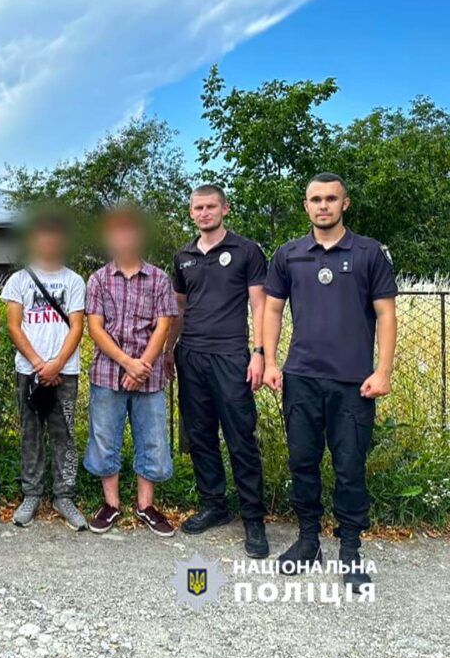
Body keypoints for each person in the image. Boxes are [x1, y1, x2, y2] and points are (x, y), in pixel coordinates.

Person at [263, 173, 396, 593]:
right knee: (302, 462)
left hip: (354, 383)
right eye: (315, 199)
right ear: (306, 206)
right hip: (300, 377)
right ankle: (307, 541)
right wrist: (269, 361)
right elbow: (270, 310)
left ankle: (351, 549)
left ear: (345, 204)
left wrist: (384, 371)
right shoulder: (288, 255)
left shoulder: (370, 253)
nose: (323, 206)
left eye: (331, 199)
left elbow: (387, 314)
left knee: (349, 467)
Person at [164, 185, 270, 558]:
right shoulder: (184, 255)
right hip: (191, 355)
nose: (205, 212)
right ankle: (214, 505)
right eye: (198, 208)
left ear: (224, 209)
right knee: (200, 434)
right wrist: (167, 351)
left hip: (231, 356)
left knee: (240, 435)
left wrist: (261, 353)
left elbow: (261, 307)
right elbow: (178, 308)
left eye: (211, 206)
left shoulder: (246, 251)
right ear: (191, 213)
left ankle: (253, 517)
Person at [84, 207, 177, 537]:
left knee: (152, 440)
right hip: (108, 373)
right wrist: (127, 362)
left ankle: (146, 505)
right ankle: (110, 504)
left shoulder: (159, 279)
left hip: (149, 375)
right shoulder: (97, 279)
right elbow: (94, 327)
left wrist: (142, 366)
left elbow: (164, 324)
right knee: (104, 438)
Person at [2, 212, 87, 531]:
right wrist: (39, 364)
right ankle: (31, 494)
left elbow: (78, 327)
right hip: (29, 371)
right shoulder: (19, 280)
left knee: (65, 432)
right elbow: (13, 325)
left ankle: (64, 495)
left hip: (65, 371)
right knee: (31, 432)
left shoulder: (74, 280)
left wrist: (56, 365)